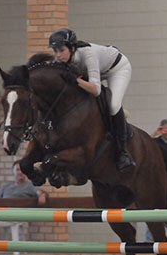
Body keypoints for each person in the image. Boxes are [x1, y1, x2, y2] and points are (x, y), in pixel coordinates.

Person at [48, 28, 135, 171]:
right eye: (55, 51)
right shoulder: (62, 59)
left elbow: (96, 90)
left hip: (117, 69)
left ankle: (123, 152)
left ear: (72, 48)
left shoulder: (89, 54)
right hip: (96, 71)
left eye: (61, 50)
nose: (58, 55)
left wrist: (76, 81)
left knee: (113, 105)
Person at [0, 161, 47, 241]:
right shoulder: (6, 187)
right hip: (2, 212)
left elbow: (40, 192)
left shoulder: (30, 185)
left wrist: (42, 195)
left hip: (17, 214)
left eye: (22, 170)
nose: (20, 172)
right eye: (17, 170)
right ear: (13, 172)